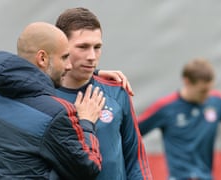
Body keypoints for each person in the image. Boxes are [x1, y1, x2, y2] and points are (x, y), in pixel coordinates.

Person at [0, 22, 106, 180]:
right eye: (64, 57)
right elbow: (88, 168)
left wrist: (94, 73)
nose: (69, 65)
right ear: (42, 58)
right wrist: (86, 123)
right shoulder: (55, 113)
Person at [55, 7, 152, 180]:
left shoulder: (117, 91)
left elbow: (135, 157)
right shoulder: (43, 97)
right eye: (83, 47)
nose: (92, 56)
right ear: (62, 47)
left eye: (97, 47)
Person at [138, 57, 221, 179]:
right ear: (187, 82)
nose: (207, 95)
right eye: (202, 91)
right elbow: (132, 132)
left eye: (209, 89)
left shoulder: (217, 102)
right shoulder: (165, 107)